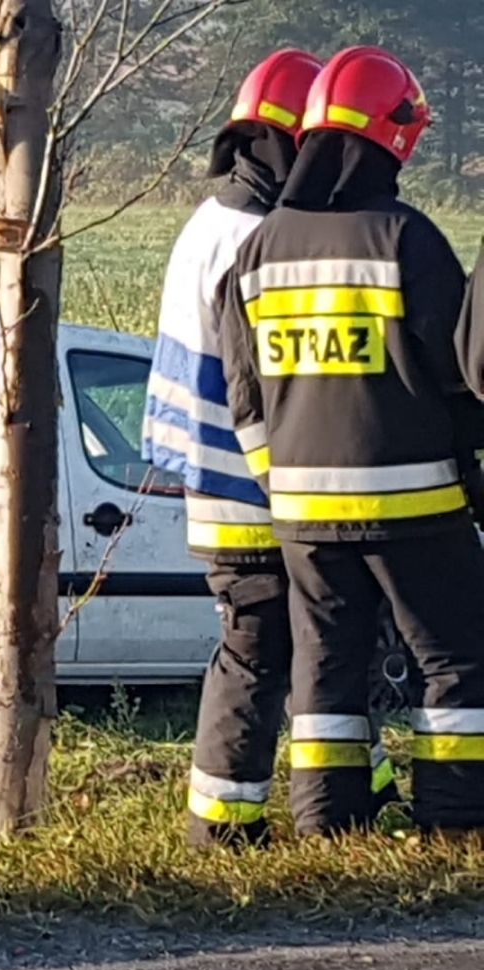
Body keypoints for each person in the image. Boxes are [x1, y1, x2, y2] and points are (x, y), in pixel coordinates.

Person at [221, 45, 484, 838]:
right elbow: (460, 371)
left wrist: (284, 483)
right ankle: (456, 819)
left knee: (326, 670)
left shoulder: (258, 249)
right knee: (455, 662)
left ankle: (328, 824)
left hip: (303, 512)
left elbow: (246, 393)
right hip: (416, 501)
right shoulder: (405, 238)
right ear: (388, 136)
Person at [142, 48, 326, 848]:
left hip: (215, 477)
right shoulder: (252, 236)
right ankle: (222, 828)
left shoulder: (213, 221)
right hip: (247, 483)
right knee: (260, 648)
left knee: (275, 644)